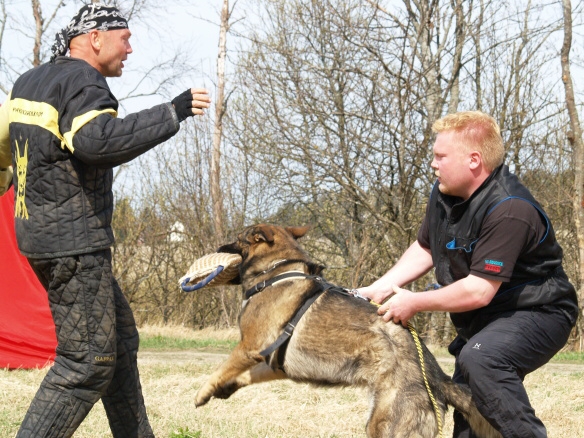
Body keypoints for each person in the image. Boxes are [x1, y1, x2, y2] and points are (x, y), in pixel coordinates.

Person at [0, 3, 211, 437]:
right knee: (88, 362)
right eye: (125, 38)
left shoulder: (30, 81)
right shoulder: (83, 80)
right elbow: (97, 142)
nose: (130, 49)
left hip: (42, 237)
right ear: (95, 38)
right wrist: (172, 112)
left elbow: (3, 142)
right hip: (73, 242)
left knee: (120, 341)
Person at [358, 111, 578, 438]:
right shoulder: (445, 193)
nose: (433, 164)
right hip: (485, 320)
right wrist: (381, 287)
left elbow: (478, 291)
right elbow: (427, 247)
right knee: (469, 414)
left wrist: (414, 302)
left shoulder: (510, 207)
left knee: (482, 361)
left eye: (440, 156)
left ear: (473, 160)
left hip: (539, 312)